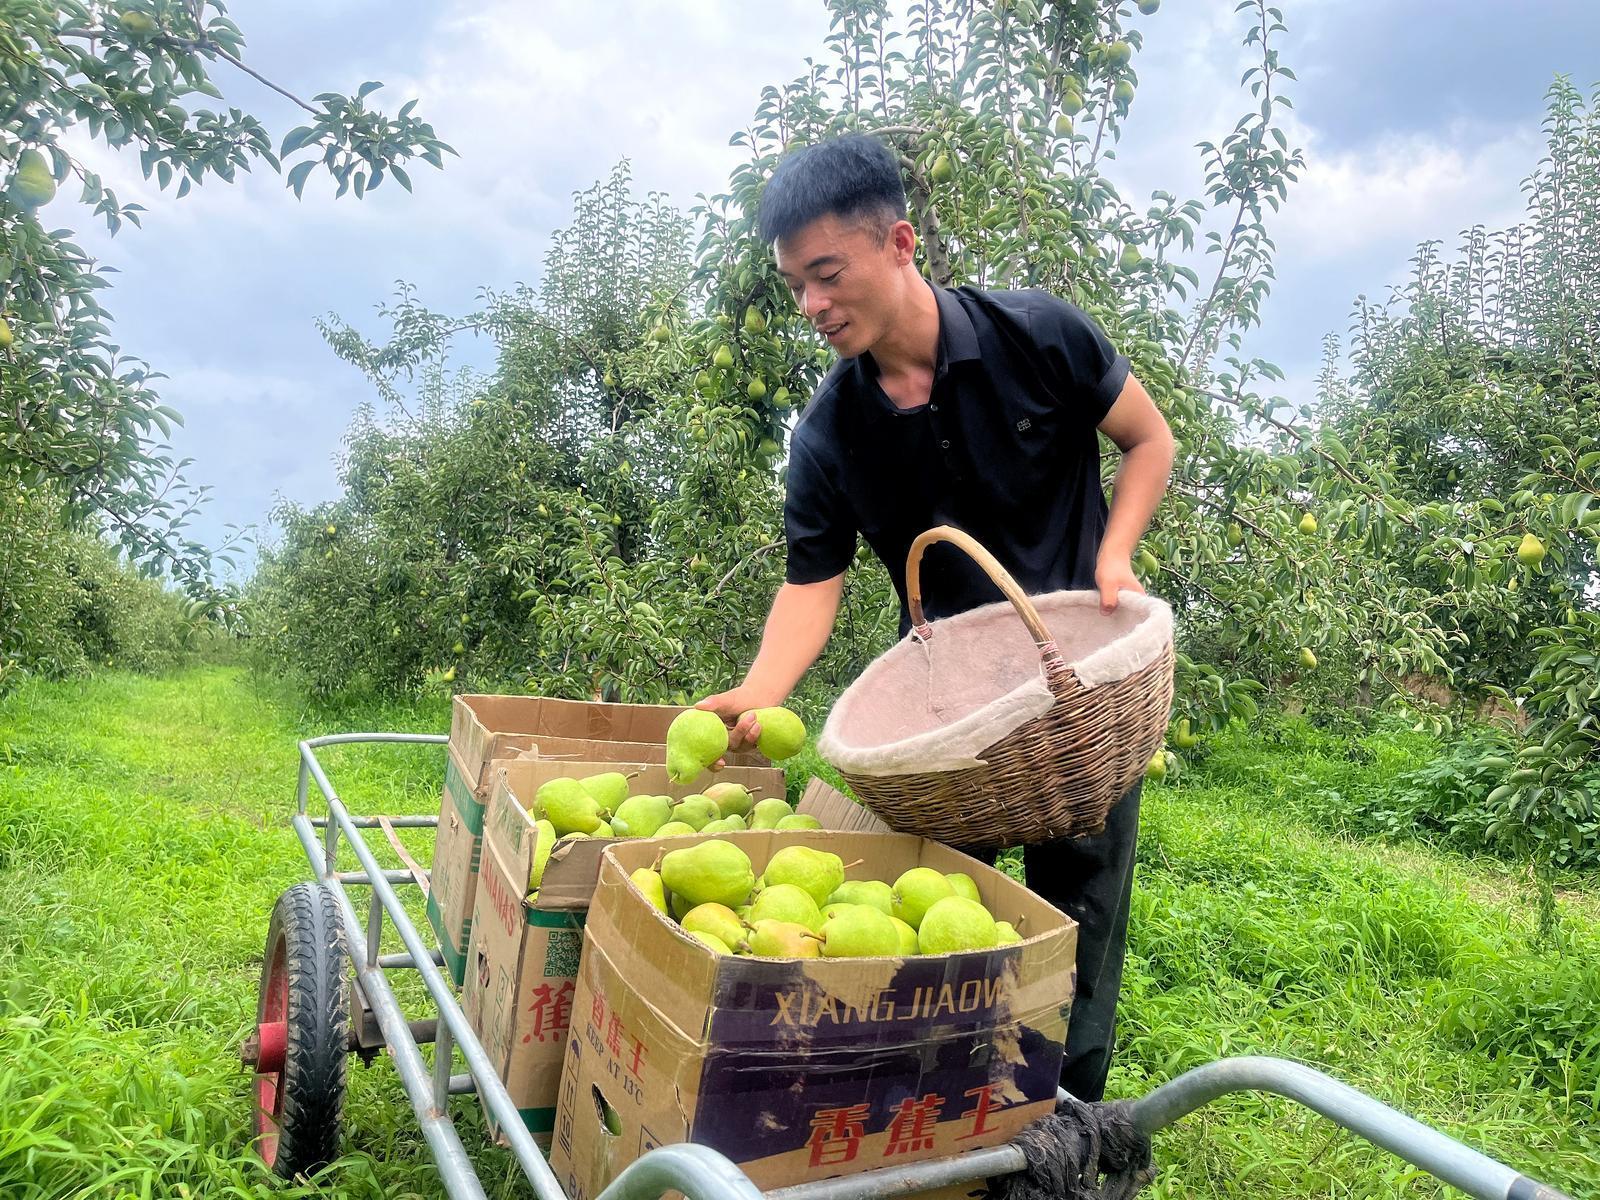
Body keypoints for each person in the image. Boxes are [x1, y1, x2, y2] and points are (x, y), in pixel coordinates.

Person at [696, 132, 1174, 1102]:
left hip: (1079, 695)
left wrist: (1114, 554)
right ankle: (936, 1110)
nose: (811, 304)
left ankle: (1064, 1116)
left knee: (1078, 923)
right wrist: (759, 689)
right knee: (936, 919)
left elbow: (1147, 437)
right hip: (943, 719)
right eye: (795, 285)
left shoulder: (1038, 335)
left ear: (900, 242)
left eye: (827, 274)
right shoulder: (830, 433)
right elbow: (811, 582)